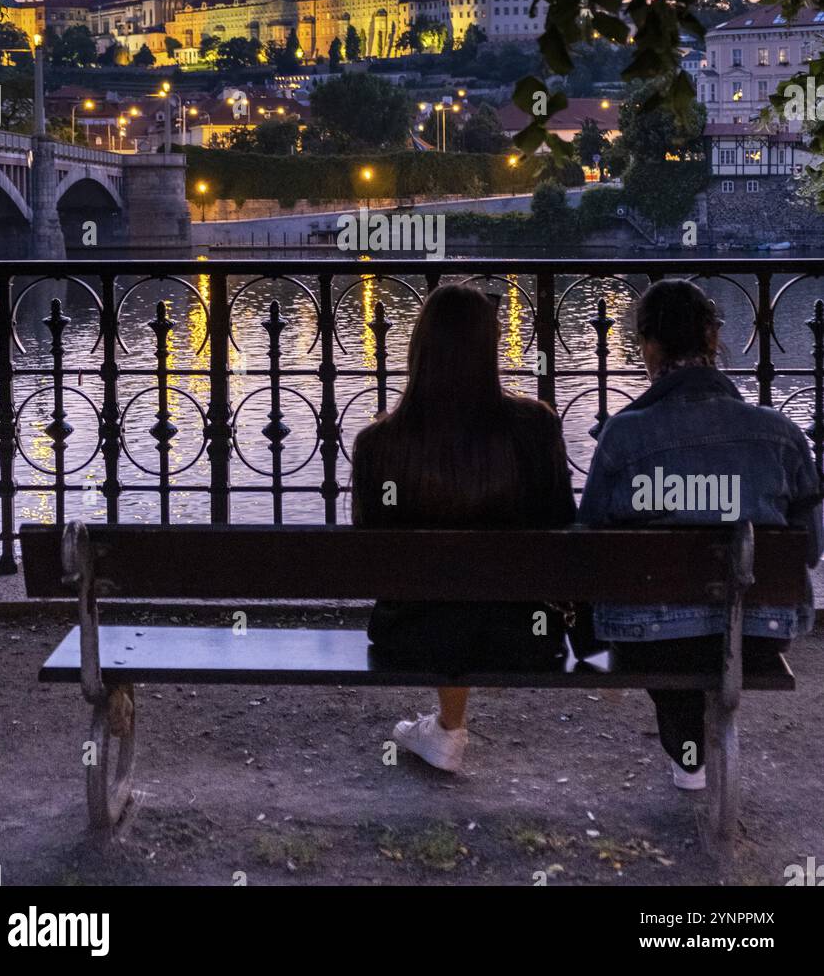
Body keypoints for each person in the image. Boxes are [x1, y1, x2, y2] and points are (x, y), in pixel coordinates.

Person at [579, 278, 824, 791]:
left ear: (647, 345)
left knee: (665, 633)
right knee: (704, 627)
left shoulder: (623, 434)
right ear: (713, 340)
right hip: (760, 632)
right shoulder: (781, 433)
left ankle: (687, 748)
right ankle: (695, 744)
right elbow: (812, 547)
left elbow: (590, 544)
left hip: (649, 636)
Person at [351, 283, 577, 773]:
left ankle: (448, 728)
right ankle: (446, 728)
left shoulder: (377, 445)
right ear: (491, 348)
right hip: (523, 635)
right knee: (471, 604)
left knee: (445, 604)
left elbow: (373, 546)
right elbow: (562, 528)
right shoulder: (534, 428)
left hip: (408, 634)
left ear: (418, 347)